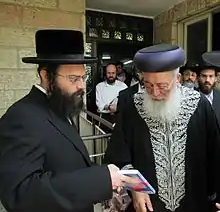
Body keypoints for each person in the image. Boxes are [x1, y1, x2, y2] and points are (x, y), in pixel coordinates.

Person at [0, 29, 132, 212]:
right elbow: (20, 194)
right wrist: (100, 180)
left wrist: (107, 181)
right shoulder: (22, 117)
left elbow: (67, 166)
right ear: (46, 76)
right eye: (73, 78)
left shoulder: (59, 107)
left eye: (83, 77)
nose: (81, 86)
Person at [104, 43, 220, 212]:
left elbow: (216, 156)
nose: (155, 93)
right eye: (149, 85)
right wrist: (136, 188)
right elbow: (117, 158)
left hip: (195, 204)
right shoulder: (133, 107)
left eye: (162, 86)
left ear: (177, 80)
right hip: (148, 207)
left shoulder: (199, 105)